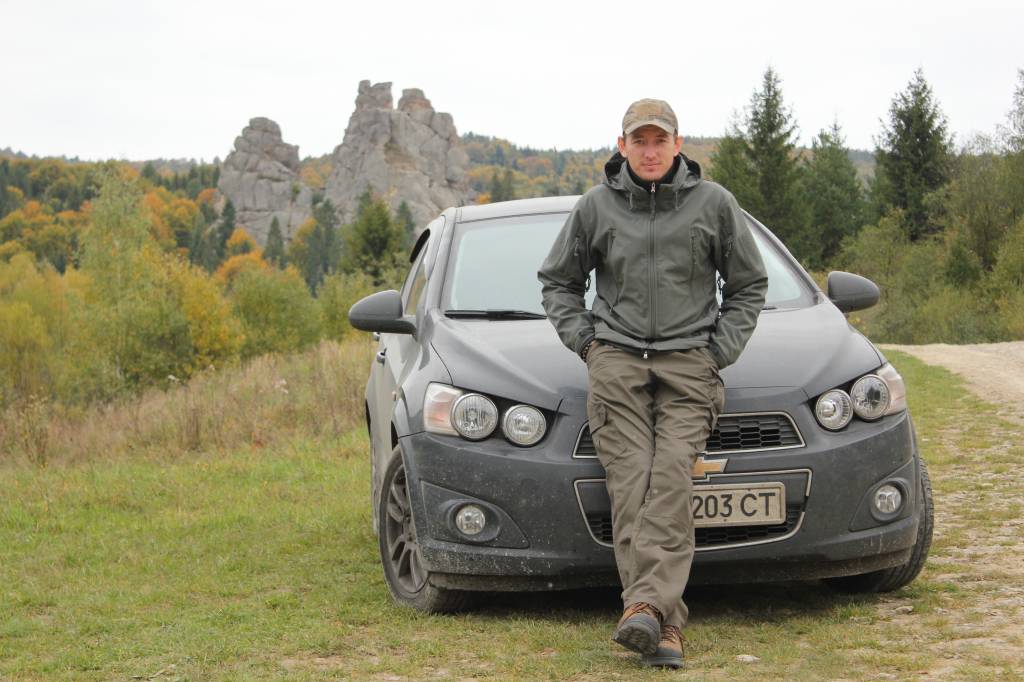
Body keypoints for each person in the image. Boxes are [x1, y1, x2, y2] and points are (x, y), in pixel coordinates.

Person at [537, 99, 768, 669]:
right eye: (638, 141)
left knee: (668, 477)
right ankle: (664, 627)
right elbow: (558, 283)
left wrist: (718, 351)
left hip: (690, 363)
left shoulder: (715, 204)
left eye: (658, 140)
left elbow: (748, 285)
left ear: (677, 144)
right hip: (617, 362)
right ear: (621, 147)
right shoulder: (595, 207)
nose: (649, 151)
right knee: (631, 480)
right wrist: (589, 345)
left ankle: (644, 608)